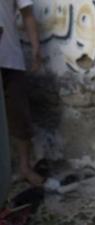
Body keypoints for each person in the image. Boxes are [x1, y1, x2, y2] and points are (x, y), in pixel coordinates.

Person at [0, 0, 43, 186]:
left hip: (10, 58)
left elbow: (27, 14)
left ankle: (25, 167)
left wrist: (35, 47)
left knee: (19, 114)